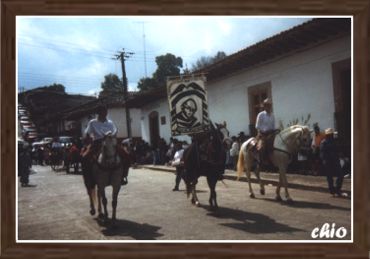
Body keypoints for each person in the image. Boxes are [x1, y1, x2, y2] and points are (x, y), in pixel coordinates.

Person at [83, 105, 127, 185]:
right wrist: (88, 139)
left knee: (126, 155)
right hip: (97, 143)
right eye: (103, 111)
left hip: (111, 142)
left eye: (106, 111)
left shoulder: (110, 122)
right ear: (98, 112)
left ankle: (123, 176)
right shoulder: (92, 122)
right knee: (85, 157)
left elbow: (115, 132)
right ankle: (89, 178)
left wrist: (113, 138)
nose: (105, 113)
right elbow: (87, 133)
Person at [320, 128, 344, 197]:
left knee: (340, 175)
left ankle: (337, 189)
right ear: (328, 135)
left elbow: (338, 150)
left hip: (336, 161)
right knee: (329, 177)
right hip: (328, 162)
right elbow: (322, 154)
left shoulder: (335, 141)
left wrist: (340, 156)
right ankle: (332, 191)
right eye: (331, 134)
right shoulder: (323, 142)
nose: (332, 135)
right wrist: (325, 161)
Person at [255, 98, 276, 165]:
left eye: (269, 105)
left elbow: (273, 126)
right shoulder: (261, 114)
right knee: (262, 147)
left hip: (271, 133)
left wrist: (274, 129)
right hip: (262, 134)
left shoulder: (272, 115)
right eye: (267, 105)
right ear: (264, 106)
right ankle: (262, 160)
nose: (268, 107)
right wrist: (264, 130)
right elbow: (257, 126)